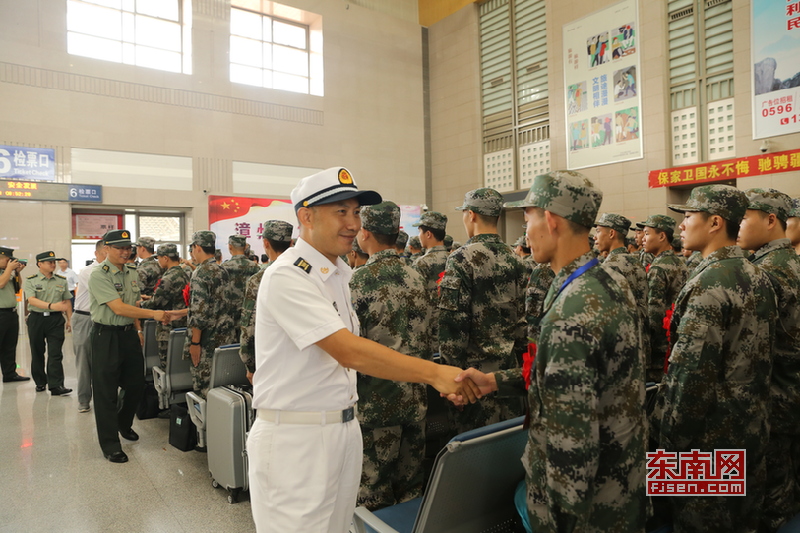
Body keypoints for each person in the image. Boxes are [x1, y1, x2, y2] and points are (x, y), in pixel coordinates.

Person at [246, 167, 477, 533]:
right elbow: (348, 351)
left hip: (343, 429)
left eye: (355, 212)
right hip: (298, 440)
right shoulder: (288, 275)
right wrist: (434, 374)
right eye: (341, 212)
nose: (353, 224)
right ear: (306, 216)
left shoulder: (341, 276)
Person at [456, 170, 646, 532]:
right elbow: (573, 378)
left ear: (551, 220)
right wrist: (495, 381)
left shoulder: (572, 309)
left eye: (527, 218)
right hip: (619, 487)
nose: (525, 232)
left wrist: (562, 519)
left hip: (585, 509)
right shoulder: (605, 280)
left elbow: (571, 446)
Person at [654, 185, 776, 532]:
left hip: (707, 444)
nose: (681, 225)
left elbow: (690, 377)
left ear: (715, 223)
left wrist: (668, 443)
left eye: (689, 216)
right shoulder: (758, 275)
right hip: (750, 432)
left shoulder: (710, 283)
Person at [350, 201, 434, 511]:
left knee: (372, 492)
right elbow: (428, 333)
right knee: (411, 488)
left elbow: (351, 347)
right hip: (415, 396)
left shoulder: (358, 281)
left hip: (376, 403)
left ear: (366, 234)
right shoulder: (415, 275)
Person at [438, 187, 527, 435]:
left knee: (474, 456)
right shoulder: (516, 260)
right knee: (508, 448)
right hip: (509, 378)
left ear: (471, 215)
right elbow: (523, 324)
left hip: (472, 381)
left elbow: (452, 328)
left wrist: (450, 377)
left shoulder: (461, 259)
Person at [738, 188, 800, 532]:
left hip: (775, 394)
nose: (739, 226)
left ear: (770, 220)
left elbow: (754, 349)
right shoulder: (791, 261)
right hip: (792, 387)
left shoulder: (766, 272)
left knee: (772, 495)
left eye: (745, 218)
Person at [88, 230, 165, 463]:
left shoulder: (132, 271)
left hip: (129, 335)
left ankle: (122, 423)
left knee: (135, 385)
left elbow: (131, 304)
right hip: (106, 336)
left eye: (127, 247)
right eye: (119, 248)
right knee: (106, 392)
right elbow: (119, 308)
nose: (125, 252)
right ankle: (110, 444)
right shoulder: (98, 274)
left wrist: (139, 328)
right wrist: (154, 313)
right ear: (106, 250)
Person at [239, 220, 293, 382]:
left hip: (270, 359)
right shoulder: (305, 273)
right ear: (291, 243)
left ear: (265, 243)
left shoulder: (259, 279)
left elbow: (249, 325)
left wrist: (250, 365)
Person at [594, 212, 649, 364]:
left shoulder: (609, 267)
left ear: (611, 233)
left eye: (598, 231)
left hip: (621, 348)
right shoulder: (636, 261)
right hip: (640, 341)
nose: (595, 237)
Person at [642, 214, 687, 384]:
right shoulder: (680, 263)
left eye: (647, 233)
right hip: (674, 339)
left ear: (661, 236)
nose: (642, 239)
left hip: (659, 347)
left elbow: (653, 312)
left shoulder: (658, 268)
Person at [24, 251, 73, 396]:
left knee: (55, 353)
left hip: (56, 320)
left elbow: (67, 301)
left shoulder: (61, 280)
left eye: (54, 262)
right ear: (40, 264)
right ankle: (40, 382)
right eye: (49, 262)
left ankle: (56, 385)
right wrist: (52, 306)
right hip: (37, 319)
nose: (53, 264)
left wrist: (69, 318)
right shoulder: (31, 280)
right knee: (37, 351)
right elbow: (31, 300)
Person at [72, 239, 106, 412]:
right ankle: (84, 400)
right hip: (84, 318)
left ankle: (103, 400)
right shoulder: (88, 271)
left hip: (102, 319)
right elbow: (102, 293)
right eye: (104, 253)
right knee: (84, 361)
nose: (108, 256)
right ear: (97, 254)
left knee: (102, 361)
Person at [141, 244, 188, 369]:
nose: (158, 261)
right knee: (180, 366)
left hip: (168, 327)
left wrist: (139, 304)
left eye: (159, 258)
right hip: (183, 325)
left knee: (167, 365)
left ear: (166, 258)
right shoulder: (184, 273)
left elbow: (156, 303)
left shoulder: (168, 278)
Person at [0, 247, 29, 383]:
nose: (10, 262)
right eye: (7, 260)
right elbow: (1, 284)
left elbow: (18, 288)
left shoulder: (8, 272)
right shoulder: (5, 273)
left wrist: (17, 272)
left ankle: (9, 374)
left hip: (11, 313)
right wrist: (9, 269)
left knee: (9, 345)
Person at [222, 234, 260, 326]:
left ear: (230, 246)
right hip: (250, 316)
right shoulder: (255, 267)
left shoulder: (224, 267)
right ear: (245, 247)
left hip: (229, 317)